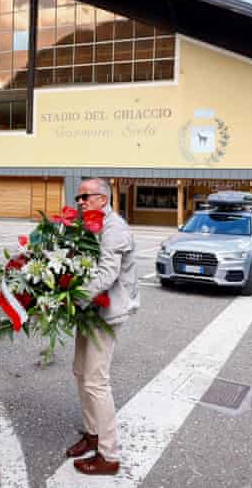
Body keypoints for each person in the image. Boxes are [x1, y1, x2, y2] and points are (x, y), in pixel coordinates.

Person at [64, 178, 139, 476]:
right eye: (78, 197)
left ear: (103, 198)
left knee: (96, 381)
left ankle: (109, 455)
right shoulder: (89, 226)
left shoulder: (114, 228)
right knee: (80, 372)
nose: (80, 202)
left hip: (105, 313)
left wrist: (72, 298)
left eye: (85, 197)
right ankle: (92, 434)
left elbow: (108, 274)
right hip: (89, 309)